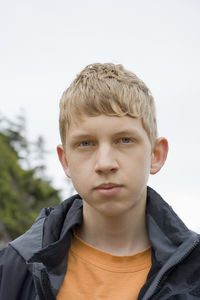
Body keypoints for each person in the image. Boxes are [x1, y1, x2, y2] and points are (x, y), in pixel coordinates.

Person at [0, 63, 200, 300]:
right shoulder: (13, 270)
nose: (105, 163)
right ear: (65, 161)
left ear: (156, 155)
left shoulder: (194, 272)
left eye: (124, 140)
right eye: (85, 143)